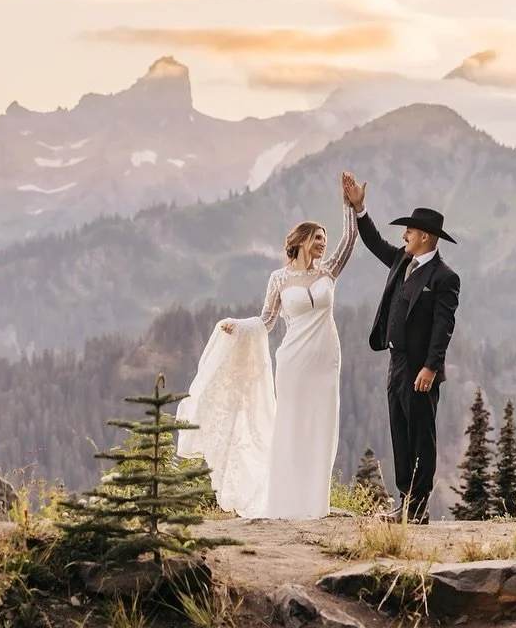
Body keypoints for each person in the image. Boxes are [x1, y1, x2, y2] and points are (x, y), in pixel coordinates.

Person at [175, 172, 359, 519]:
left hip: (325, 360)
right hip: (293, 362)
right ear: (302, 240)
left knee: (321, 427)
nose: (323, 243)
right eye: (318, 237)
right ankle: (285, 503)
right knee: (291, 427)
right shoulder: (279, 279)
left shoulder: (328, 272)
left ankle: (313, 503)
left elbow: (351, 239)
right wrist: (238, 326)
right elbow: (267, 321)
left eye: (324, 238)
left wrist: (350, 204)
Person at [342, 172, 460, 524]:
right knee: (400, 433)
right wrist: (359, 208)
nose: (404, 235)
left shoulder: (444, 277)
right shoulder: (401, 261)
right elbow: (375, 242)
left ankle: (419, 510)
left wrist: (431, 367)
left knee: (422, 437)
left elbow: (444, 327)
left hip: (421, 368)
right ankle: (405, 504)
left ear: (425, 236)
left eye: (409, 231)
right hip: (396, 362)